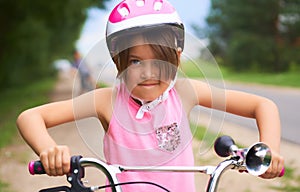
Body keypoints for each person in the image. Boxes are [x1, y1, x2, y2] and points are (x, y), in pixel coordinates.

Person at [17, 0, 284, 191]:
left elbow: (262, 105)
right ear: (118, 61)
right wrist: (48, 149)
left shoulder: (184, 92)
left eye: (160, 59)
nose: (148, 72)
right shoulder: (107, 101)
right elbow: (30, 117)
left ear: (177, 58)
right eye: (134, 62)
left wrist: (269, 150)